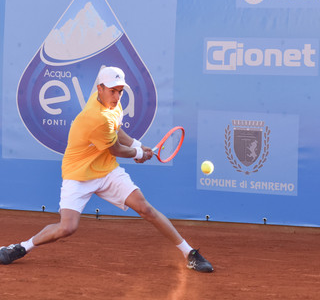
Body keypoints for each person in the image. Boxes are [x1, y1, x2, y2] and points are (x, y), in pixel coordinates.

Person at [0, 67, 213, 273]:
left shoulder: (113, 105)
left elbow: (117, 131)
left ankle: (189, 253)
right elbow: (116, 148)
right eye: (112, 90)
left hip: (107, 170)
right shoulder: (96, 116)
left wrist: (138, 145)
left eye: (120, 91)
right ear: (99, 88)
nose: (117, 95)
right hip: (79, 174)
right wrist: (139, 154)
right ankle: (20, 247)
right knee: (67, 228)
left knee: (145, 209)